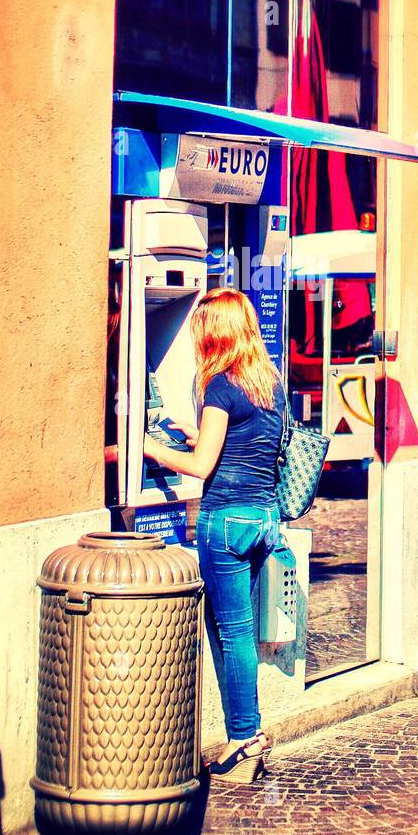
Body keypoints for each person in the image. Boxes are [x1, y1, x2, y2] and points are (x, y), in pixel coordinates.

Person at [144, 287, 287, 785]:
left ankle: (245, 737)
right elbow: (240, 443)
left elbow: (203, 466)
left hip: (225, 522)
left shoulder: (220, 387)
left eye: (202, 327)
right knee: (233, 630)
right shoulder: (269, 383)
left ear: (217, 332)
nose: (196, 336)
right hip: (262, 521)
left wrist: (148, 447)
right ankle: (240, 738)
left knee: (234, 634)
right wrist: (192, 432)